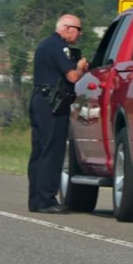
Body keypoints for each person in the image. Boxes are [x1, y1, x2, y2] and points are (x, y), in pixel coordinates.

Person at [27, 14, 89, 213]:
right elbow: (72, 76)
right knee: (52, 151)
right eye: (78, 29)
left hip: (41, 99)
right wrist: (80, 68)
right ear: (67, 28)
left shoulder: (46, 45)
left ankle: (36, 199)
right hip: (51, 103)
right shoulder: (57, 47)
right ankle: (46, 200)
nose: (80, 34)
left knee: (39, 150)